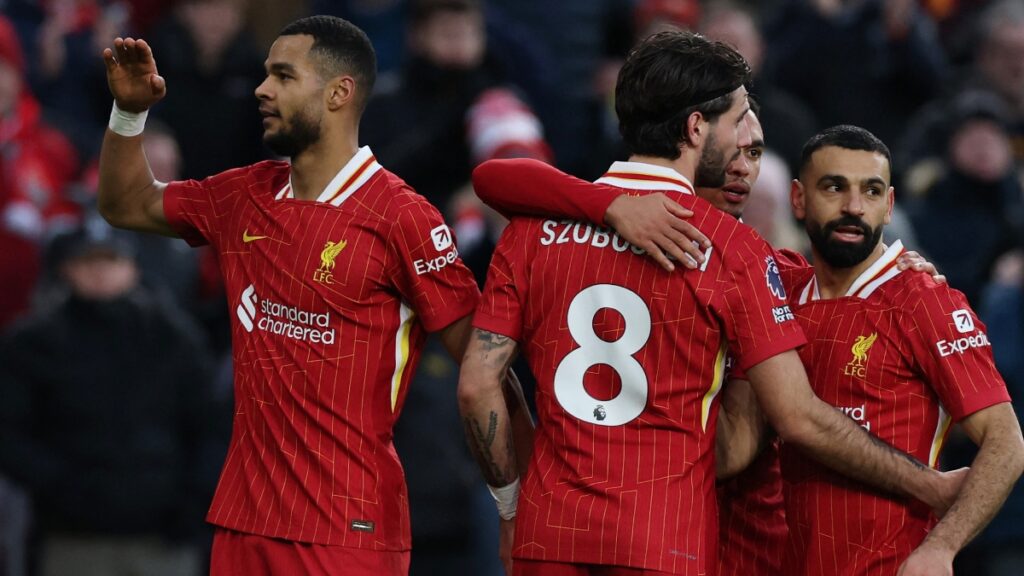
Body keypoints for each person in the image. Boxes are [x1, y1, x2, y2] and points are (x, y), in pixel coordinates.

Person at [459, 30, 964, 576]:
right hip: (663, 538)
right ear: (696, 127)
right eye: (739, 123)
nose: (746, 155)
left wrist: (512, 509)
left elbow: (476, 383)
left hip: (548, 534)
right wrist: (926, 482)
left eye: (757, 149)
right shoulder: (735, 254)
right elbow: (790, 421)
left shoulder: (532, 231)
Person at [96, 15, 529, 575]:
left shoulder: (403, 218)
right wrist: (129, 113)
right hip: (243, 520)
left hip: (346, 529)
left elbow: (486, 371)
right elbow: (125, 203)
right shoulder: (243, 195)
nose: (261, 89)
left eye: (282, 75)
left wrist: (514, 503)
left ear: (338, 92)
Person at [777, 125, 1023, 575]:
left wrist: (941, 548)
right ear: (798, 198)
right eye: (834, 187)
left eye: (871, 192)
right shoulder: (780, 290)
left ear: (889, 205)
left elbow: (1006, 441)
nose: (854, 207)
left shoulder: (924, 300)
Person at [0, 217, 217, 576]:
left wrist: (194, 502)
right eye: (88, 261)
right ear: (67, 269)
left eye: (111, 260)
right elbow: (9, 433)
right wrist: (62, 488)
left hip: (163, 535)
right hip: (73, 537)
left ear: (133, 267)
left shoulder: (174, 340)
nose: (100, 272)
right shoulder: (33, 343)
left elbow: (211, 426)